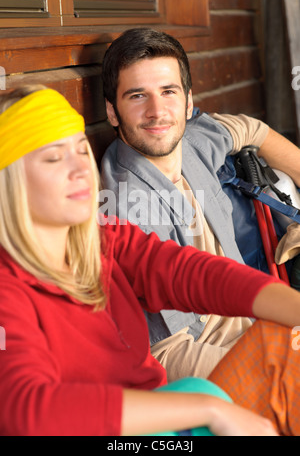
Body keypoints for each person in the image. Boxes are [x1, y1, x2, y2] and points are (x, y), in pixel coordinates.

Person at [2, 86, 300, 437]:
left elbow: (192, 274)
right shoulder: (7, 291)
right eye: (53, 157)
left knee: (280, 341)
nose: (80, 168)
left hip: (161, 417)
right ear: (11, 182)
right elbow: (28, 411)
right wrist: (208, 408)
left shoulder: (104, 239)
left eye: (81, 149)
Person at [100, 27, 300, 380]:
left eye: (168, 92)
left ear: (189, 101)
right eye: (136, 96)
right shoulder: (125, 209)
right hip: (215, 366)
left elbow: (250, 129)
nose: (157, 111)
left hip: (262, 326)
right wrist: (275, 369)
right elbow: (165, 354)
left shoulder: (191, 141)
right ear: (112, 112)